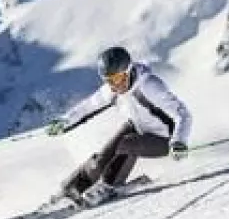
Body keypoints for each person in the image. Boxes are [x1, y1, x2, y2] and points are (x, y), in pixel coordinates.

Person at [46, 46, 193, 206]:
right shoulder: (113, 90)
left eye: (117, 79)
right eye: (108, 81)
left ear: (129, 71)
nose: (114, 85)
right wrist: (65, 121)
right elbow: (88, 106)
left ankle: (108, 186)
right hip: (138, 128)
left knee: (127, 144)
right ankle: (72, 189)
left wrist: (179, 141)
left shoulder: (149, 85)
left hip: (165, 139)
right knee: (103, 157)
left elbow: (183, 114)